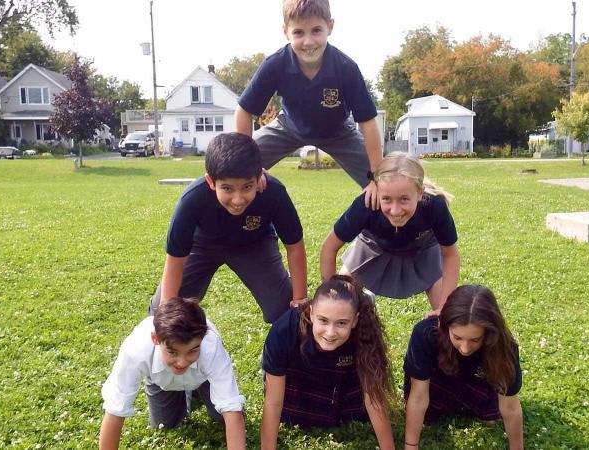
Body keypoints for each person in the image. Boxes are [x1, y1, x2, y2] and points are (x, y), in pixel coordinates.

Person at [234, 0, 383, 208]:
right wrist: (250, 164)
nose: (308, 41)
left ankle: (413, 230)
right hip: (289, 127)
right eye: (298, 33)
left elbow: (368, 123)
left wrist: (376, 177)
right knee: (233, 168)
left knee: (388, 183)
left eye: (316, 31)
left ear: (330, 27)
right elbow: (244, 112)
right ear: (286, 31)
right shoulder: (275, 64)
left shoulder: (345, 68)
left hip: (339, 132)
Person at [152, 132, 308, 323]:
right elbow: (176, 259)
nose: (238, 199)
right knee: (161, 311)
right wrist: (167, 313)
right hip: (203, 245)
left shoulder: (273, 193)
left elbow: (294, 246)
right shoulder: (192, 199)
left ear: (260, 176)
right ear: (211, 181)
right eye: (227, 188)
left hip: (254, 243)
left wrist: (299, 301)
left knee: (285, 310)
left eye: (247, 187)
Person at [260, 275, 395, 450]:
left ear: (355, 320)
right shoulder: (284, 330)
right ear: (310, 312)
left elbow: (373, 399)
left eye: (341, 323)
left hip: (342, 372)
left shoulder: (365, 332)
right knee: (293, 413)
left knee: (354, 412)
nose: (330, 333)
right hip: (300, 374)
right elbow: (273, 402)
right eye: (323, 320)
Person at [320, 152, 460, 312]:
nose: (395, 210)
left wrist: (443, 307)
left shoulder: (434, 207)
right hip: (374, 245)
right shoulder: (366, 204)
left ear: (420, 193)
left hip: (422, 249)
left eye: (404, 199)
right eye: (386, 199)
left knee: (448, 314)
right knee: (342, 302)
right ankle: (363, 298)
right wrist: (329, 297)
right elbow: (329, 247)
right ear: (377, 191)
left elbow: (451, 255)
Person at [99, 297, 246, 450]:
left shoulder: (211, 346)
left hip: (203, 378)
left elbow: (231, 409)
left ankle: (197, 391)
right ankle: (189, 395)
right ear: (155, 339)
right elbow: (115, 410)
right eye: (172, 352)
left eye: (193, 351)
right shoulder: (135, 350)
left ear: (202, 339)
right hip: (161, 382)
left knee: (222, 417)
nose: (182, 362)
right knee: (165, 425)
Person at [403, 285, 523, 450]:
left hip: (477, 380)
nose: (465, 348)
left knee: (490, 419)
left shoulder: (504, 347)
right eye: (457, 337)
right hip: (438, 381)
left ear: (489, 333)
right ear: (446, 326)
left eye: (475, 339)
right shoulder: (426, 334)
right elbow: (418, 397)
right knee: (427, 418)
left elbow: (510, 407)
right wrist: (411, 445)